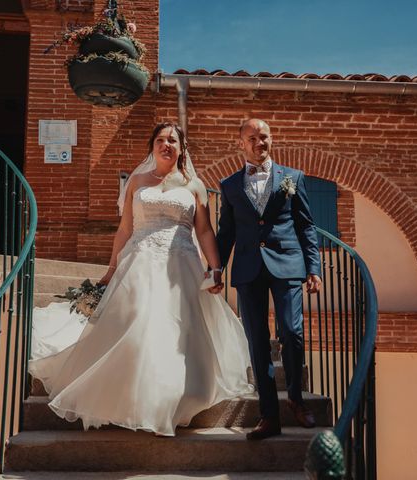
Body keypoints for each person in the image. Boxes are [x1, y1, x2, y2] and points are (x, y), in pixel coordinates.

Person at [29, 122, 253, 437]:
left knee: (178, 330)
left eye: (173, 140)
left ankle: (171, 397)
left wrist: (215, 269)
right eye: (160, 139)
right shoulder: (136, 181)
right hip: (139, 261)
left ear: (181, 148)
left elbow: (203, 230)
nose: (166, 144)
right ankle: (130, 393)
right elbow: (124, 229)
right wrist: (110, 270)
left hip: (182, 264)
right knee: (134, 323)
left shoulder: (195, 186)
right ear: (152, 146)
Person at [215, 118, 323, 440]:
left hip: (288, 265)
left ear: (271, 140)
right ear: (241, 143)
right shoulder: (229, 185)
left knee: (292, 331)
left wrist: (313, 268)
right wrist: (216, 268)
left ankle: (296, 400)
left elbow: (306, 226)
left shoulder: (293, 178)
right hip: (248, 269)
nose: (259, 143)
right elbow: (226, 232)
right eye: (252, 138)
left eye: (264, 137)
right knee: (258, 342)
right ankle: (268, 415)